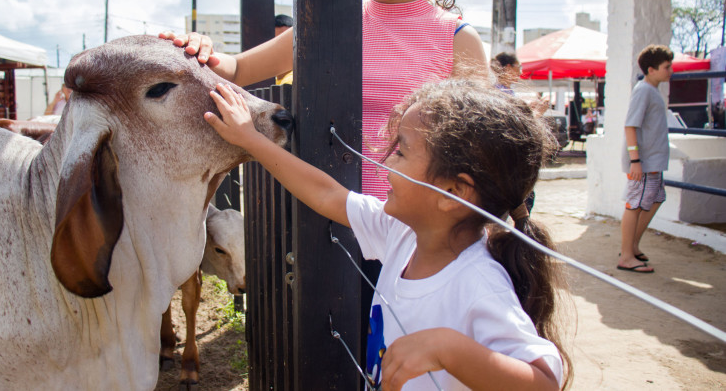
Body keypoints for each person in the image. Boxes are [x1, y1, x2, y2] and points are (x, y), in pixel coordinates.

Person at [204, 79, 571, 390]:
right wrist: (251, 140)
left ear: (455, 193)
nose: (386, 163)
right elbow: (326, 194)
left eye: (402, 153)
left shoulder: (478, 282)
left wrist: (448, 349)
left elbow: (543, 381)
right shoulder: (404, 234)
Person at [162, 0, 488, 201]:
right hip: (328, 224)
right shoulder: (327, 25)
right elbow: (238, 70)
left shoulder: (458, 39)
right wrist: (195, 50)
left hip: (417, 228)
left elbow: (479, 153)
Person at [617, 44, 674, 274]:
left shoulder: (651, 90)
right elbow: (630, 125)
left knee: (656, 199)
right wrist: (635, 160)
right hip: (644, 162)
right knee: (635, 205)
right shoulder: (643, 91)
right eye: (666, 67)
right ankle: (627, 256)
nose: (670, 70)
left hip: (652, 162)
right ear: (651, 69)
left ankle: (631, 247)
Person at [491, 52, 549, 116]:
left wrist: (527, 108)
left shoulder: (502, 90)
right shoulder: (501, 93)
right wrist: (537, 113)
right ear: (508, 68)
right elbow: (512, 122)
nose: (520, 72)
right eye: (519, 67)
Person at [274, 14, 294, 85]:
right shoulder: (271, 80)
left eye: (286, 42)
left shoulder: (291, 81)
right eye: (275, 42)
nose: (281, 48)